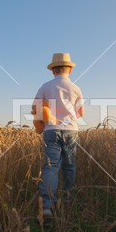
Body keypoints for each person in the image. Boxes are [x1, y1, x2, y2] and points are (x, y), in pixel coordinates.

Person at [32, 53, 85, 217]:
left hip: (50, 130)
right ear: (70, 70)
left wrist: (51, 116)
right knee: (69, 165)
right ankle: (68, 199)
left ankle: (47, 206)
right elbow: (81, 113)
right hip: (71, 131)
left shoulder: (45, 87)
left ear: (53, 71)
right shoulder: (76, 88)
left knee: (51, 166)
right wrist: (67, 118)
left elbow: (35, 108)